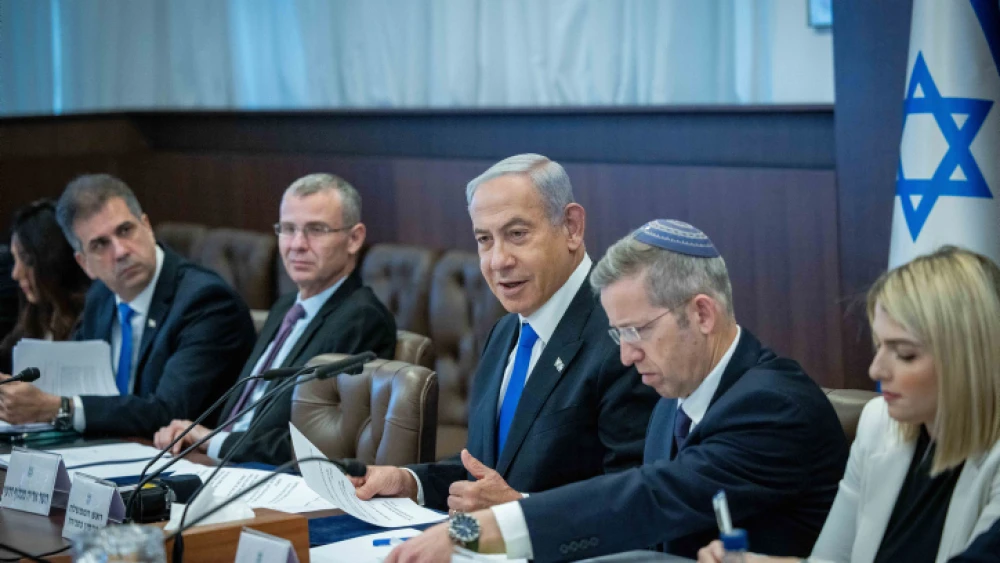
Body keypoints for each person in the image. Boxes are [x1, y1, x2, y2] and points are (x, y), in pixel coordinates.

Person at [385, 219, 849, 562]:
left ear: (702, 314)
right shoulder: (675, 395)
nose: (626, 355)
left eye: (637, 331)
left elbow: (647, 498)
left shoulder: (773, 406)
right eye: (618, 334)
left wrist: (474, 532)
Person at [352, 154, 658, 513]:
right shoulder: (504, 331)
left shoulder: (622, 335)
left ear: (572, 227)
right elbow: (489, 473)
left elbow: (639, 501)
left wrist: (520, 510)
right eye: (485, 239)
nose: (498, 260)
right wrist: (410, 482)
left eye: (517, 234)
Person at [697, 246, 1000, 563]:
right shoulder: (879, 424)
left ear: (968, 360)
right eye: (879, 346)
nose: (876, 371)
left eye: (904, 353)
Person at [153, 173, 397, 465]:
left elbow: (317, 446)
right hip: (220, 461)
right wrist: (191, 431)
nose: (297, 244)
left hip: (270, 474)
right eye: (288, 229)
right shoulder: (285, 308)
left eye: (316, 230)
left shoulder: (361, 319)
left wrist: (213, 441)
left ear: (354, 238)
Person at [0, 174, 256, 437]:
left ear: (147, 226)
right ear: (85, 263)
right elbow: (72, 384)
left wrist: (59, 408)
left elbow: (170, 412)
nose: (121, 251)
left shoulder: (206, 302)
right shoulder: (101, 296)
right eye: (100, 244)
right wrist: (20, 396)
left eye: (125, 230)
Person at [0, 200, 91, 373]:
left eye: (26, 260)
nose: (15, 274)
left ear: (53, 260)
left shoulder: (91, 323)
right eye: (15, 260)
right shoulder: (33, 319)